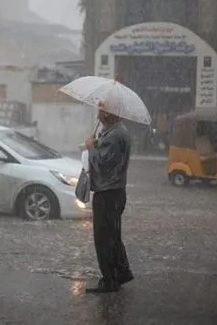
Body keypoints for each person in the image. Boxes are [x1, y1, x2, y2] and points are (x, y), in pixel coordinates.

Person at [84, 101, 134, 293]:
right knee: (113, 236)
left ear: (108, 115)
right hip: (114, 192)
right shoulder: (116, 132)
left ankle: (110, 281)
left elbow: (102, 165)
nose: (98, 115)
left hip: (108, 193)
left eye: (101, 111)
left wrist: (91, 148)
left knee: (104, 238)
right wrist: (96, 144)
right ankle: (120, 274)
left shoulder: (115, 135)